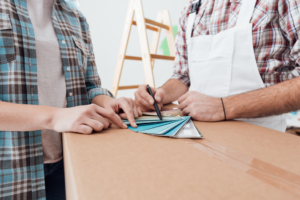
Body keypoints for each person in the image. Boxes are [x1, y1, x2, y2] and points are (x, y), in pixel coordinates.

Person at [0, 0, 141, 199]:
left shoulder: (77, 18)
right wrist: (54, 117)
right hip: (10, 173)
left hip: (68, 164)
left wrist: (106, 102)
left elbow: (90, 86)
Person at [135, 0, 300, 133]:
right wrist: (160, 95)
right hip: (199, 139)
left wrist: (223, 107)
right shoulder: (191, 9)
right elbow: (182, 76)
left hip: (260, 141)